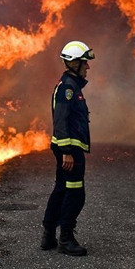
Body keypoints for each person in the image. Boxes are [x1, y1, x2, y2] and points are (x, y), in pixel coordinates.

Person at [41, 40, 95, 256]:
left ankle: (48, 236)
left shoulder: (70, 86)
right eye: (85, 63)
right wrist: (67, 152)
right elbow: (61, 121)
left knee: (61, 189)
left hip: (69, 149)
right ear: (74, 64)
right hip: (69, 151)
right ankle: (66, 239)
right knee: (75, 194)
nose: (88, 67)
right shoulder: (68, 89)